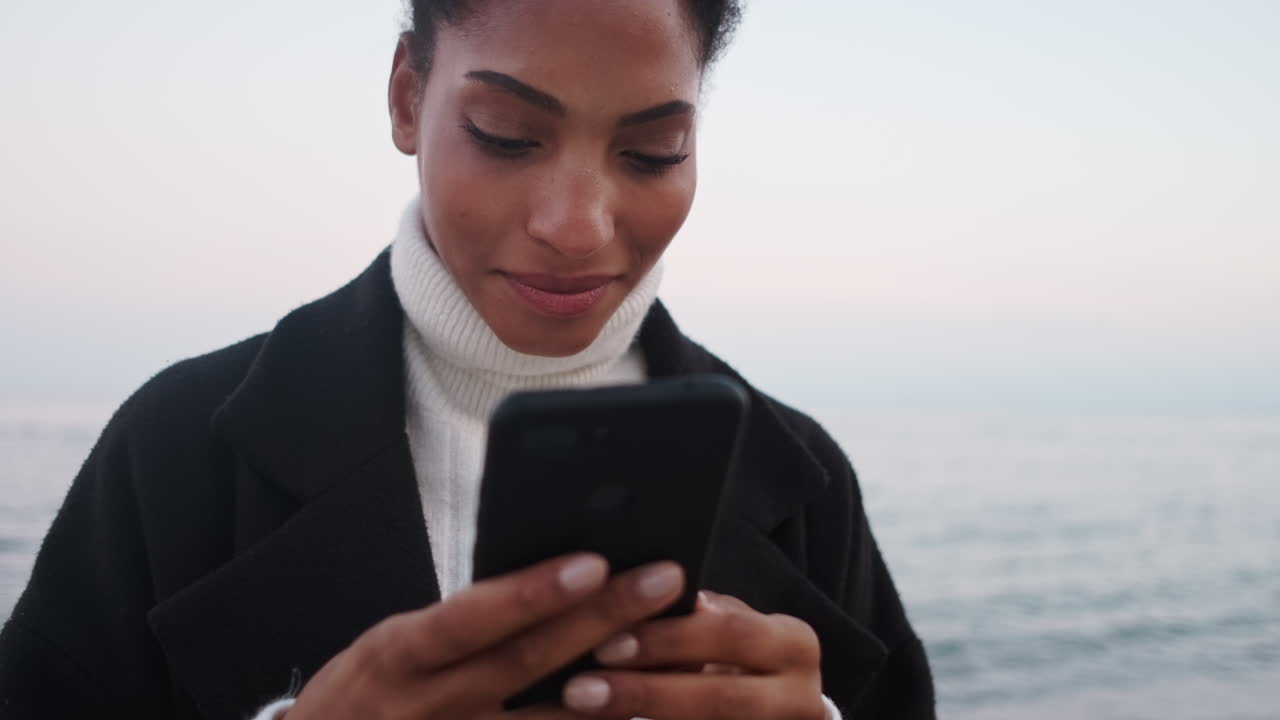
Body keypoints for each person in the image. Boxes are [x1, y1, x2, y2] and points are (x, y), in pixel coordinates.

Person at [0, 1, 935, 718]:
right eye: (506, 135)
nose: (576, 226)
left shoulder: (805, 482)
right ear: (408, 95)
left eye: (654, 152)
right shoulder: (172, 453)